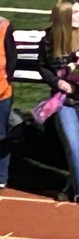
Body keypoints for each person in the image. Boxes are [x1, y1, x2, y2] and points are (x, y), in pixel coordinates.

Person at [38, 0, 79, 205]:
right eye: (75, 13)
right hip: (63, 100)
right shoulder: (49, 39)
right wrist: (58, 82)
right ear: (64, 16)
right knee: (73, 146)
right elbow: (43, 67)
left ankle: (72, 183)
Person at [0, 13, 16, 190]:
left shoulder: (3, 26)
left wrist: (6, 79)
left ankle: (1, 176)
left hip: (1, 92)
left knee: (1, 135)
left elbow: (12, 57)